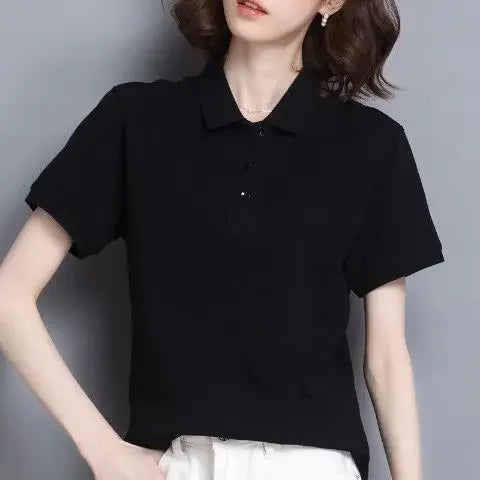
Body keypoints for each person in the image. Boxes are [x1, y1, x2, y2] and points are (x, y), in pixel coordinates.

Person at [0, 0, 445, 479]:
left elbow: (387, 357)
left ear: (331, 2)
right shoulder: (138, 118)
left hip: (311, 466)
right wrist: (103, 450)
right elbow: (9, 294)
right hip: (177, 464)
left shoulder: (372, 145)